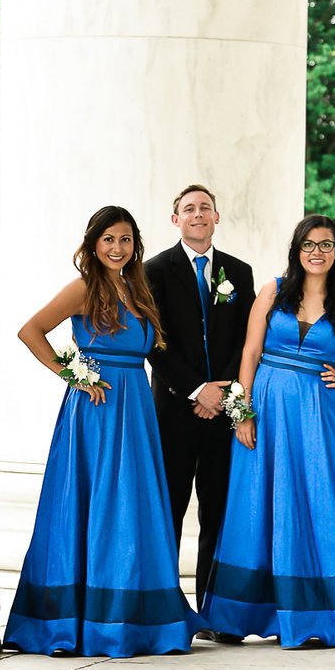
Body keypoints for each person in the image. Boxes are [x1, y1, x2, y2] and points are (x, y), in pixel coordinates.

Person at [2, 205, 195, 657]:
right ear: (93, 244)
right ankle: (81, 621)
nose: (117, 247)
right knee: (94, 502)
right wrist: (73, 376)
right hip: (97, 412)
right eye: (108, 239)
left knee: (132, 504)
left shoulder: (137, 289)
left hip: (136, 409)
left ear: (135, 246)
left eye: (125, 239)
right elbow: (31, 331)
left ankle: (132, 616)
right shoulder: (84, 287)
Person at [201, 213, 335, 646]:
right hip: (265, 406)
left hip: (319, 415)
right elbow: (249, 352)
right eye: (309, 245)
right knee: (256, 503)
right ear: (297, 250)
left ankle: (331, 618)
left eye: (325, 245)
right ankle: (237, 615)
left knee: (322, 500)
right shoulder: (272, 291)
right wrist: (242, 410)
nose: (317, 252)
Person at [141, 182, 254, 601]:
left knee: (219, 510)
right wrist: (194, 390)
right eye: (189, 209)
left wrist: (221, 394)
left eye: (206, 207)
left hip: (223, 412)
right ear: (176, 220)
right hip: (172, 410)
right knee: (167, 508)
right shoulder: (153, 271)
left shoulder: (238, 272)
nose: (198, 214)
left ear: (216, 217)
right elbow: (154, 341)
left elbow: (247, 338)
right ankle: (165, 603)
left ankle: (212, 606)